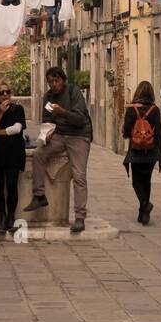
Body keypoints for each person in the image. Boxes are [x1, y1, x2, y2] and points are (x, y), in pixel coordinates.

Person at [25, 66, 92, 234]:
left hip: (79, 136)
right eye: (50, 82)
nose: (53, 84)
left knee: (79, 175)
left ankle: (79, 217)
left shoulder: (73, 93)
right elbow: (47, 120)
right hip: (60, 136)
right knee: (39, 154)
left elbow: (80, 119)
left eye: (56, 81)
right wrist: (47, 133)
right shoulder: (48, 98)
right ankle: (39, 195)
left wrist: (62, 112)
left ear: (63, 80)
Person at [0, 82, 27, 239]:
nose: (5, 95)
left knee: (12, 184)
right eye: (1, 93)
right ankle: (2, 217)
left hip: (14, 152)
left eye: (7, 92)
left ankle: (11, 217)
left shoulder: (18, 109)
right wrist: (0, 113)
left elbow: (16, 129)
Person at [122, 80, 161, 225]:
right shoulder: (155, 110)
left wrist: (129, 133)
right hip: (151, 151)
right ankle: (143, 214)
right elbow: (158, 133)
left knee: (136, 182)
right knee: (146, 181)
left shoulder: (131, 109)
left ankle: (145, 205)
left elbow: (126, 131)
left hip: (136, 150)